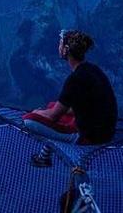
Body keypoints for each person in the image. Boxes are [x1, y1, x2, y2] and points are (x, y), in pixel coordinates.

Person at [25, 30, 117, 167]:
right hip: (105, 129)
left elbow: (53, 117)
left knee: (29, 120)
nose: (58, 47)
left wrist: (36, 113)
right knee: (52, 105)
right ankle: (44, 157)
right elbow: (84, 105)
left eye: (60, 44)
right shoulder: (92, 69)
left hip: (88, 136)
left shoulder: (74, 80)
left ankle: (45, 157)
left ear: (66, 50)